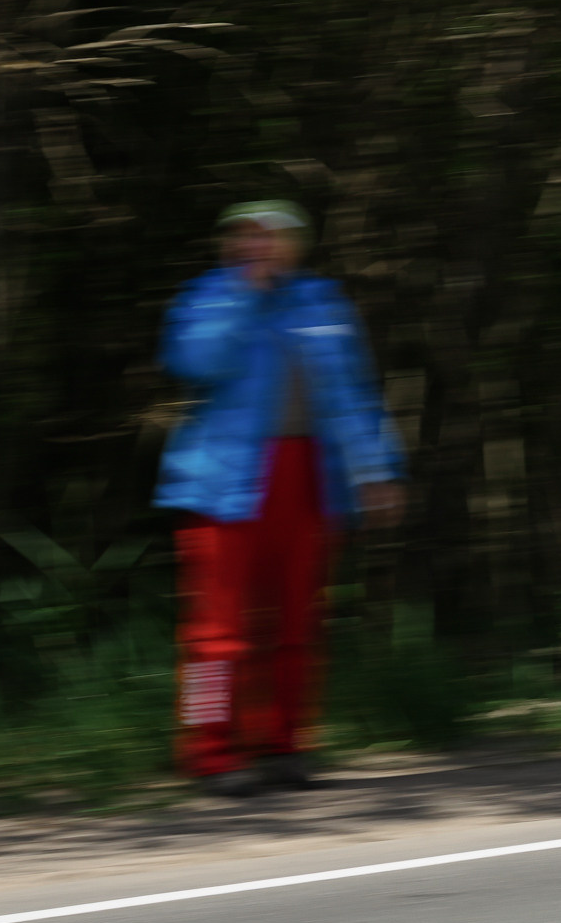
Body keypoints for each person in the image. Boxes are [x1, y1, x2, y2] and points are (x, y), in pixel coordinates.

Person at [155, 200, 406, 798]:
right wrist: (245, 294)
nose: (259, 245)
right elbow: (194, 362)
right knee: (215, 631)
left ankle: (285, 744)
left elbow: (354, 394)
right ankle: (208, 751)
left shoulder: (322, 302)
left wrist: (376, 471)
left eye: (272, 237)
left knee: (298, 623)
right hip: (225, 483)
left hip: (310, 480)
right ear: (229, 245)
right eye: (245, 236)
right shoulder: (209, 297)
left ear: (296, 244)